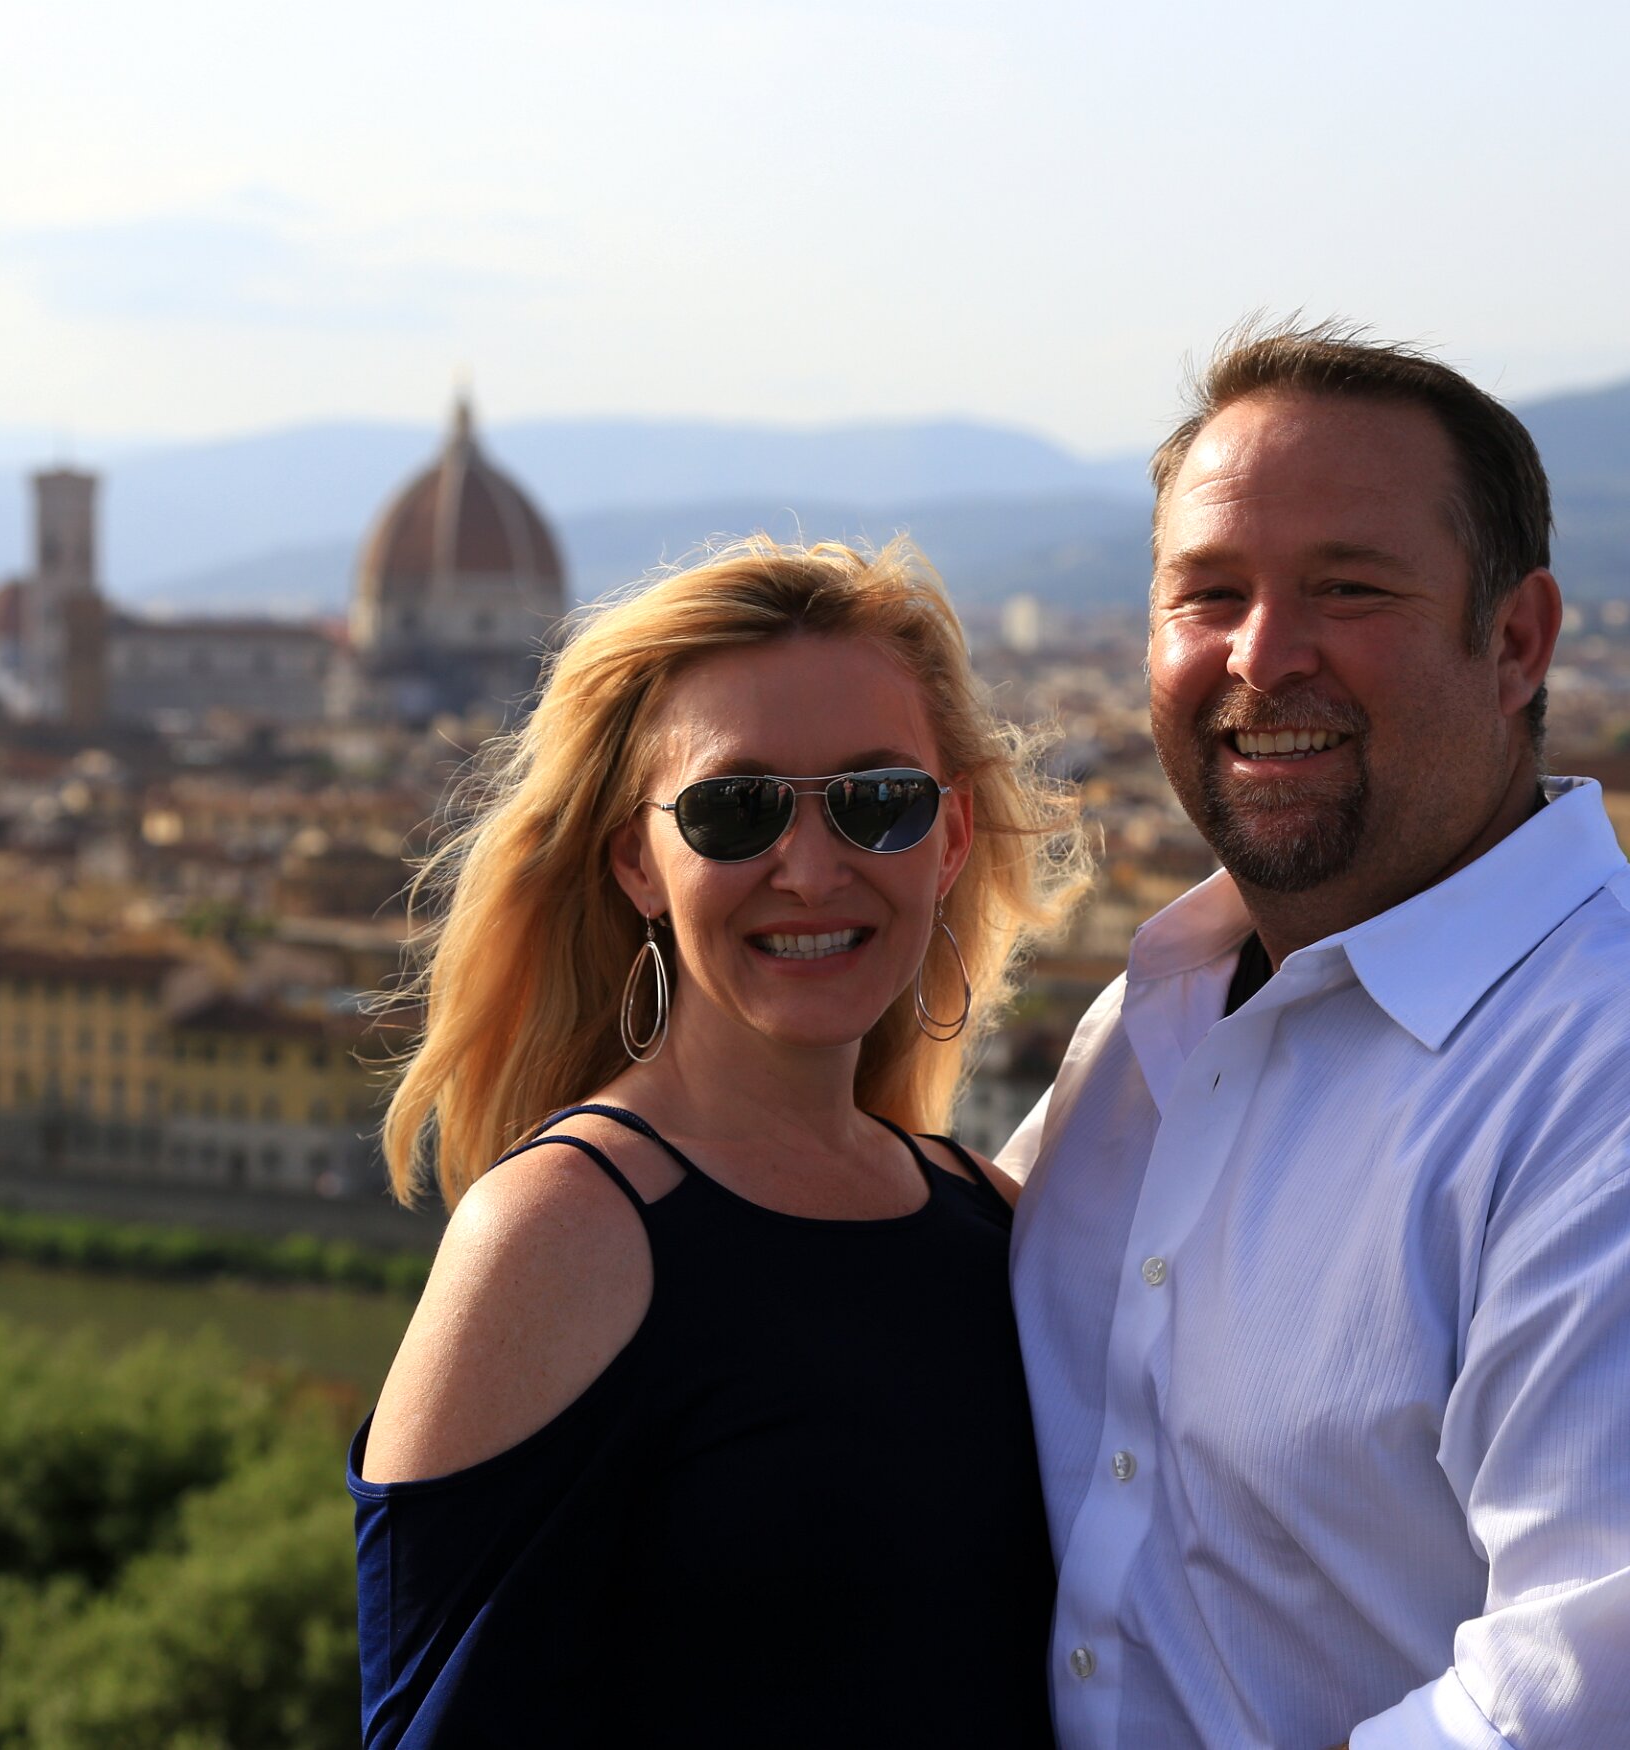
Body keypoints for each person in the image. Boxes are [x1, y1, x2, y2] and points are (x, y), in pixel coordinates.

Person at [1001, 319, 1630, 1749]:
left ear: (1518, 640)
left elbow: (1606, 1723)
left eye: (1350, 588)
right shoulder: (1147, 1027)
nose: (1261, 653)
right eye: (1206, 592)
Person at [351, 538, 1087, 1749]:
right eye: (736, 811)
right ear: (637, 861)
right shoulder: (558, 1235)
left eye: (878, 801)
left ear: (951, 836)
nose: (812, 869)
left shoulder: (1001, 1225)